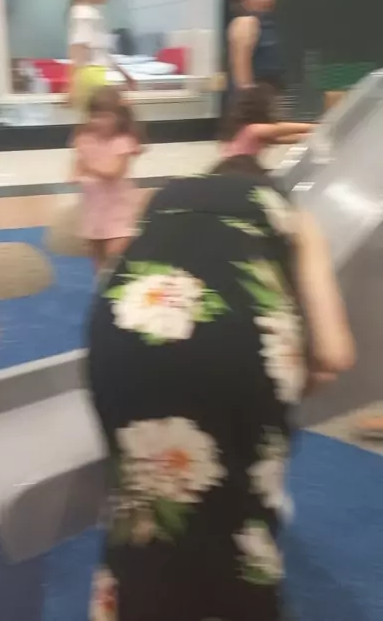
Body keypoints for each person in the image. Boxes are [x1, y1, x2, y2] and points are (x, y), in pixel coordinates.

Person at [87, 137, 354, 620]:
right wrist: (287, 392)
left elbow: (113, 267)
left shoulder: (162, 199)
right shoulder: (290, 214)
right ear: (265, 183)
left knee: (141, 496)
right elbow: (335, 354)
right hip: (239, 346)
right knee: (240, 509)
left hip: (122, 329)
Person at [72, 87, 143, 272]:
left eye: (105, 116)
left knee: (115, 256)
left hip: (117, 208)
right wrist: (76, 171)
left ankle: (117, 282)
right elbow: (79, 160)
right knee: (97, 257)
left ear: (118, 117)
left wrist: (88, 168)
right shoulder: (86, 138)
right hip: (94, 207)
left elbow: (115, 172)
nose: (98, 121)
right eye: (94, 116)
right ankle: (101, 285)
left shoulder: (122, 141)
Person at [67, 0, 135, 111]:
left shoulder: (92, 13)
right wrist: (72, 87)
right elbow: (78, 49)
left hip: (97, 74)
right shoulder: (83, 13)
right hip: (93, 77)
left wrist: (124, 74)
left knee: (107, 119)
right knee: (112, 117)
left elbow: (103, 53)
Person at [223, 85, 313, 160]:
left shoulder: (247, 133)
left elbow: (297, 137)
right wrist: (318, 128)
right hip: (236, 171)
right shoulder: (253, 130)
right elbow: (281, 128)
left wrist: (316, 134)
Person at [228, 0, 284, 95]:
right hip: (256, 96)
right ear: (246, 0)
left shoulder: (267, 24)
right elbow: (241, 66)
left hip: (271, 93)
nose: (266, 0)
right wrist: (248, 97)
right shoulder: (246, 23)